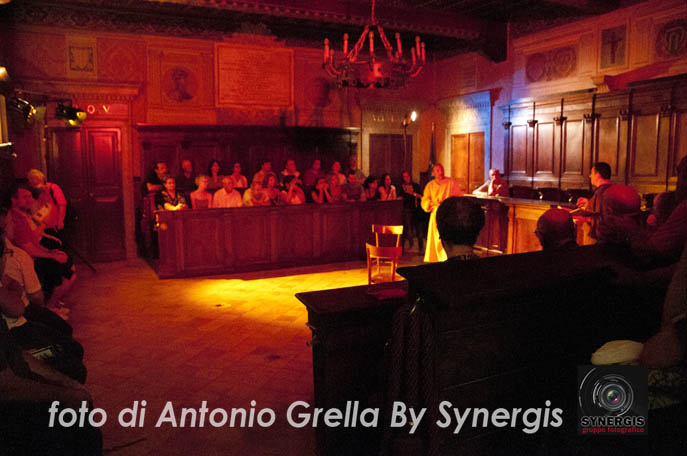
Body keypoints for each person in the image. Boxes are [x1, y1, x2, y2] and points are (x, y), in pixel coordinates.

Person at [7, 186, 76, 312]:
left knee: (66, 264)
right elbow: (29, 249)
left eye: (30, 196)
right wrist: (53, 256)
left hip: (35, 256)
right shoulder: (16, 219)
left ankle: (53, 304)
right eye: (25, 197)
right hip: (29, 261)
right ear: (14, 200)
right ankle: (50, 306)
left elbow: (34, 242)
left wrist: (50, 252)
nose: (29, 200)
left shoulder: (23, 215)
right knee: (68, 272)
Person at [421, 164, 464, 262]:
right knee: (437, 238)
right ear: (433, 173)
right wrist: (430, 204)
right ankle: (436, 259)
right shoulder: (430, 185)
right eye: (438, 170)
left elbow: (459, 197)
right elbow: (424, 200)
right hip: (435, 215)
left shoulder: (451, 182)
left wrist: (449, 204)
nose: (440, 172)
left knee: (448, 238)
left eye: (442, 170)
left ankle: (447, 258)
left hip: (449, 215)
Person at [575, 162, 612, 241]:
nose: (590, 176)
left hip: (598, 239)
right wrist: (589, 203)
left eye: (591, 173)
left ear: (598, 175)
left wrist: (583, 219)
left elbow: (602, 219)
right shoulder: (611, 189)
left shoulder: (600, 193)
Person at [26, 169, 68, 237]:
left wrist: (60, 220)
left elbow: (62, 204)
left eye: (36, 180)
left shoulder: (52, 187)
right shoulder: (33, 192)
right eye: (32, 181)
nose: (33, 183)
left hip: (54, 224)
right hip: (40, 225)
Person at [400, 171, 423, 250]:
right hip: (407, 209)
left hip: (416, 209)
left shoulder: (416, 185)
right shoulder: (402, 186)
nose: (406, 178)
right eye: (404, 177)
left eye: (407, 176)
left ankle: (421, 247)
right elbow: (401, 197)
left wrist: (413, 193)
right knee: (409, 228)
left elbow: (421, 196)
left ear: (410, 176)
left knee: (418, 229)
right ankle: (411, 244)